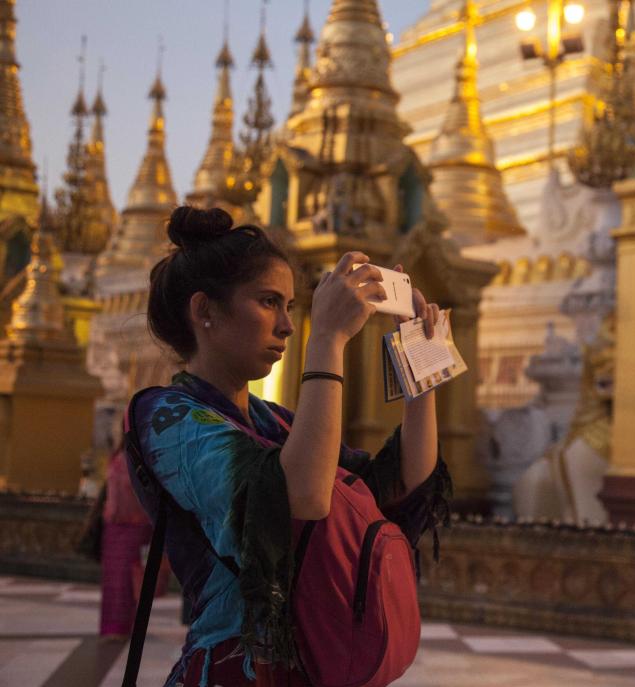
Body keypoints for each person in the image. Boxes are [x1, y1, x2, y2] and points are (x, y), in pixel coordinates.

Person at [131, 206, 450, 686]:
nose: (286, 325)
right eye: (267, 302)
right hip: (230, 671)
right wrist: (326, 337)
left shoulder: (271, 419)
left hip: (306, 665)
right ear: (205, 311)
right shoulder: (166, 415)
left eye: (291, 308)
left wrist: (422, 371)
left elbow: (397, 485)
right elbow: (300, 498)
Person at [99, 440, 170, 639]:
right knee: (118, 579)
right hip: (121, 526)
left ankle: (121, 626)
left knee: (130, 578)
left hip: (132, 526)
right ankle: (115, 627)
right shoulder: (129, 458)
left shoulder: (129, 458)